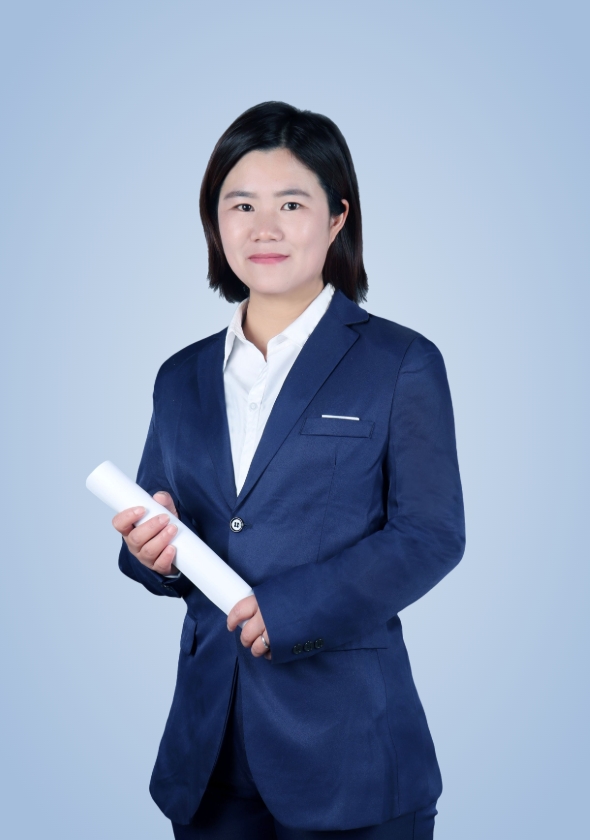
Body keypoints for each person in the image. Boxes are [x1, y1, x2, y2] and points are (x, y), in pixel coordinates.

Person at [112, 101, 465, 839]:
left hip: (351, 752)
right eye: (241, 205)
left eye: (292, 204)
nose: (263, 228)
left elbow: (430, 535)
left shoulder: (400, 362)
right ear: (216, 222)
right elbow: (166, 527)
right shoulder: (179, 377)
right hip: (208, 752)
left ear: (337, 219)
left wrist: (293, 610)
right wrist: (149, 555)